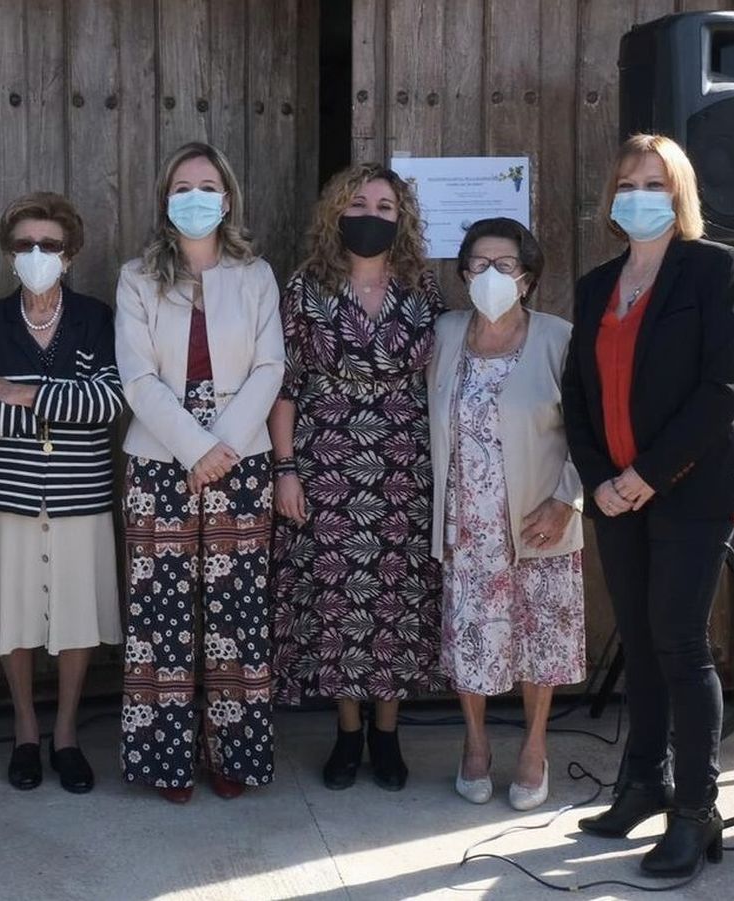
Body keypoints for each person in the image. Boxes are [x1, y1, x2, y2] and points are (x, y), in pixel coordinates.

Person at [563, 134, 734, 877]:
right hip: (615, 495)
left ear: (680, 194)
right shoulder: (596, 285)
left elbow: (724, 386)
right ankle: (644, 781)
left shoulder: (717, 268)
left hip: (690, 491)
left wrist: (647, 473)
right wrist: (599, 480)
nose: (639, 195)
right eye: (627, 182)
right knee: (639, 644)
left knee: (679, 643)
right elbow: (576, 394)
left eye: (655, 183)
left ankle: (697, 810)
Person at [115, 141, 284, 804]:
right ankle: (167, 760)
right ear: (165, 200)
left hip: (240, 458)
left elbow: (270, 367)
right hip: (161, 459)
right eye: (182, 187)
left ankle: (234, 755)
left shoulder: (256, 275)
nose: (195, 197)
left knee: (236, 609)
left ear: (227, 198)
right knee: (162, 611)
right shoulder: (137, 277)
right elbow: (137, 376)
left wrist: (223, 445)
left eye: (207, 186)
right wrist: (194, 447)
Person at [269, 163, 445, 792]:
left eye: (385, 207)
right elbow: (285, 385)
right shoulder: (306, 286)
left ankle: (388, 733)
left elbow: (440, 379)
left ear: (402, 219)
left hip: (405, 465)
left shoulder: (423, 288)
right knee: (337, 601)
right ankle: (347, 731)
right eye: (359, 204)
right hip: (327, 463)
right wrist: (285, 470)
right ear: (336, 212)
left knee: (396, 599)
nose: (372, 216)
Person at [0, 191, 124, 794]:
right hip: (9, 497)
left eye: (49, 245)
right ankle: (25, 730)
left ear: (70, 254)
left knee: (78, 617)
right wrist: (63, 400)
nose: (37, 253)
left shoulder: (95, 317)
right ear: (9, 253)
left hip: (81, 496)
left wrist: (26, 394)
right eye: (25, 244)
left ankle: (67, 734)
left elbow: (109, 401)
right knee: (15, 617)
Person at [428, 218, 585, 811]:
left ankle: (534, 747)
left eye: (505, 265)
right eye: (478, 264)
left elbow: (590, 431)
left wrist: (567, 499)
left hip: (538, 519)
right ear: (463, 272)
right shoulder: (445, 333)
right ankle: (475, 745)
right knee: (472, 637)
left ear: (528, 277)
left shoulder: (558, 337)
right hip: (467, 523)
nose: (490, 275)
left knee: (540, 640)